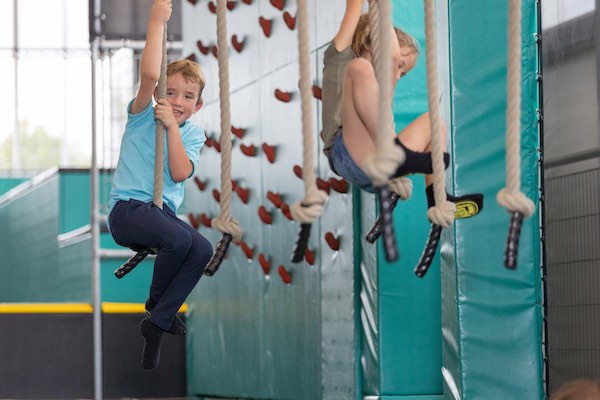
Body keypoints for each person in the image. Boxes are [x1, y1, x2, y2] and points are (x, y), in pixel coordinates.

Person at [107, 0, 212, 370]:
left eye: (188, 97)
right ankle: (156, 304)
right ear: (159, 95)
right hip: (129, 212)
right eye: (172, 92)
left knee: (202, 249)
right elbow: (150, 75)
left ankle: (158, 320)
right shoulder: (141, 116)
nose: (178, 101)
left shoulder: (193, 133)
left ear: (198, 106)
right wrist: (156, 21)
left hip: (160, 215)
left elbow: (180, 172)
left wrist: (172, 128)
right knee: (181, 241)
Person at [321, 0, 483, 226]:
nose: (397, 76)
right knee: (360, 68)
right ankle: (397, 156)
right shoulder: (341, 58)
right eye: (399, 67)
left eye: (403, 74)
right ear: (369, 42)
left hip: (375, 167)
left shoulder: (377, 91)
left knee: (434, 124)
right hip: (345, 153)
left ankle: (437, 198)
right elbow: (354, 8)